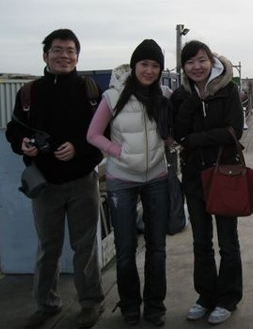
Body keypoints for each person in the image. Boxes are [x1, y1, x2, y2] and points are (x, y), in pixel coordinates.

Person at [5, 29, 104, 329]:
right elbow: (14, 129)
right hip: (45, 183)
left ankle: (90, 302)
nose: (64, 56)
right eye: (58, 50)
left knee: (84, 246)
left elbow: (104, 133)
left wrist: (78, 147)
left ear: (77, 56)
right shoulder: (29, 93)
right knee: (48, 247)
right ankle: (46, 304)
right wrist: (22, 143)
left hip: (82, 180)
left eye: (70, 51)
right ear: (45, 55)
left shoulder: (90, 91)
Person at [87, 39, 172, 327]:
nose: (149, 70)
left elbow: (171, 130)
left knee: (157, 247)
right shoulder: (113, 97)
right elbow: (93, 134)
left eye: (155, 65)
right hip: (121, 179)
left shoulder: (165, 94)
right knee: (125, 249)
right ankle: (130, 304)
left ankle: (155, 305)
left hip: (157, 177)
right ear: (134, 65)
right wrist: (118, 152)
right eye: (144, 64)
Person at [170, 40, 245, 326]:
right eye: (190, 62)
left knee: (228, 241)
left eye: (201, 60)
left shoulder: (228, 90)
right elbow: (178, 132)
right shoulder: (181, 96)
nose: (196, 66)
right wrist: (191, 105)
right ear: (183, 67)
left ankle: (228, 298)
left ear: (211, 61)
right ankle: (205, 296)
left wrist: (195, 139)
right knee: (201, 241)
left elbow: (233, 131)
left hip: (223, 173)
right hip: (193, 176)